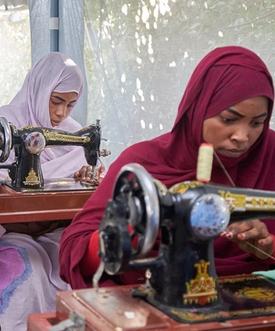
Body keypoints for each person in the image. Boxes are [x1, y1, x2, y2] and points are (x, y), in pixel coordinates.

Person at [60, 45, 275, 291]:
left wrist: (268, 248)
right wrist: (128, 232)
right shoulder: (144, 162)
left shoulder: (270, 154)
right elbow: (72, 252)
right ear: (199, 107)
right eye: (228, 119)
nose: (243, 136)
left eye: (257, 123)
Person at [0, 52, 99, 331]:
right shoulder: (5, 125)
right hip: (10, 232)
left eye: (71, 105)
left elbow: (89, 167)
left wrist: (86, 174)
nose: (60, 114)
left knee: (74, 261)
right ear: (39, 88)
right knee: (26, 270)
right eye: (56, 101)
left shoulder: (74, 133)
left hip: (53, 230)